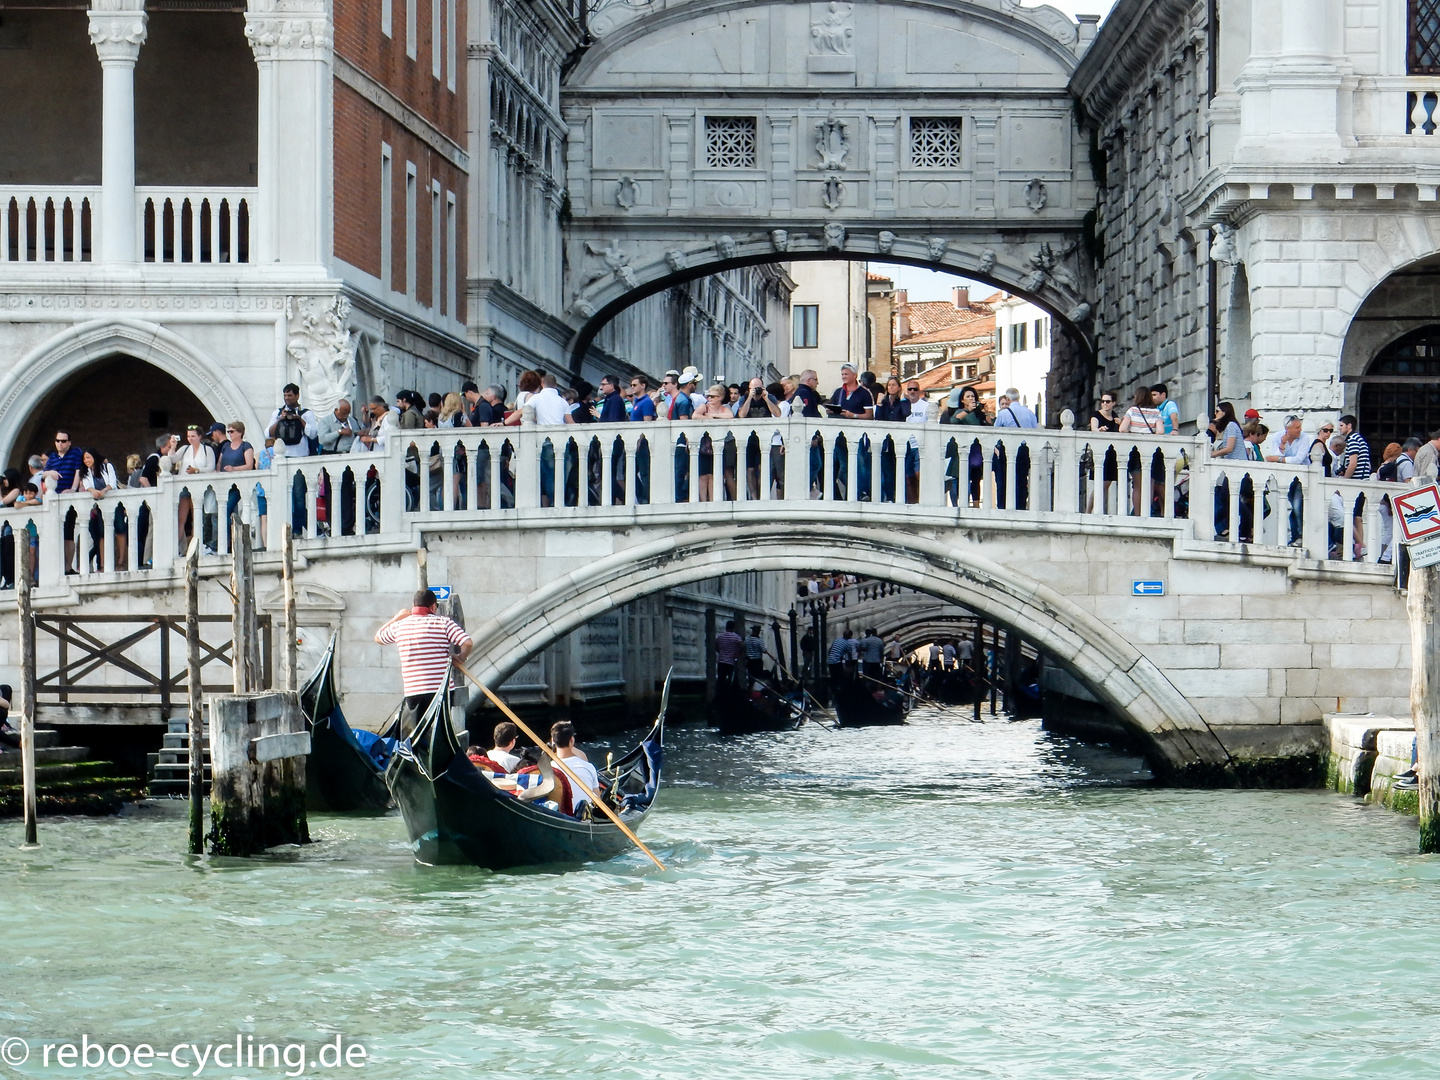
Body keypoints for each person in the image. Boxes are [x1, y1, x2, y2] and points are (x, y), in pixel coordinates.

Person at [374, 588, 473, 733]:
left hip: (414, 690)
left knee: (417, 732)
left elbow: (378, 637)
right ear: (433, 606)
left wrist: (396, 617)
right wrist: (460, 658)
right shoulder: (443, 623)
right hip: (441, 691)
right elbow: (467, 643)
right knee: (440, 730)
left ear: (414, 606)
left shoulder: (399, 626)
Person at [75, 449, 123, 571]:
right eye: (85, 458)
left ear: (94, 457)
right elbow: (87, 485)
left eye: (88, 457)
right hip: (100, 504)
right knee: (102, 533)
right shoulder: (86, 472)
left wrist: (104, 491)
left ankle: (121, 562)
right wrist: (93, 491)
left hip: (114, 502)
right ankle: (103, 564)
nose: (86, 461)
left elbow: (112, 482)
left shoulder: (107, 467)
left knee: (120, 530)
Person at [44, 430, 84, 573]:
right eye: (58, 441)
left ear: (69, 442)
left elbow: (78, 471)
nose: (60, 444)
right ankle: (57, 566)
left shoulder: (75, 453)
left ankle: (68, 566)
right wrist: (50, 473)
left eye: (63, 441)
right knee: (55, 534)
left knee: (68, 533)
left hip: (68, 499)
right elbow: (44, 473)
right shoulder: (53, 457)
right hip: (55, 499)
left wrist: (73, 489)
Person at [993, 387, 1038, 510]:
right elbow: (1036, 431)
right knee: (1022, 479)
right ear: (1018, 397)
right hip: (1024, 449)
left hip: (1008, 449)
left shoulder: (1003, 414)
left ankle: (1004, 506)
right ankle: (1021, 506)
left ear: (1007, 399)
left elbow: (994, 433)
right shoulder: (1029, 413)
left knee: (1005, 479)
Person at [1209, 401, 1247, 539]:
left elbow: (1230, 448)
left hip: (1237, 467)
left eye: (1218, 411)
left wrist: (1212, 454)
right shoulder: (1231, 426)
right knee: (1227, 496)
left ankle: (1242, 524)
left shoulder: (1231, 425)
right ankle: (1229, 527)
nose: (1215, 414)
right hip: (1234, 467)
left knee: (1227, 496)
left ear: (1225, 412)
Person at [691, 384, 734, 501]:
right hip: (705, 444)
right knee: (703, 476)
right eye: (708, 396)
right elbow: (695, 416)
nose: (709, 399)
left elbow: (730, 416)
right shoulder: (704, 406)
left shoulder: (724, 408)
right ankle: (703, 500)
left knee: (714, 475)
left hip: (718, 445)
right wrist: (711, 418)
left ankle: (713, 500)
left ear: (720, 397)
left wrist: (713, 415)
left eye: (712, 396)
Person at [715, 620, 743, 685]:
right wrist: (738, 653)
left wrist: (719, 651)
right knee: (731, 679)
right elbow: (742, 645)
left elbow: (715, 643)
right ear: (733, 627)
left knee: (721, 679)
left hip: (721, 661)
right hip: (731, 661)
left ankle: (721, 693)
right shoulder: (736, 636)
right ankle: (729, 692)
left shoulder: (720, 636)